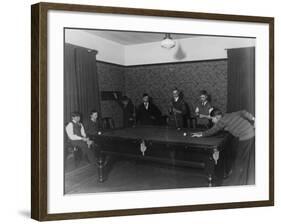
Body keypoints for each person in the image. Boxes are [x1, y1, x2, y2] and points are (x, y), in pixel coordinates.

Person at [191, 109, 255, 185]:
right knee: (243, 159)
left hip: (246, 137)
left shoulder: (222, 121)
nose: (212, 121)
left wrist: (201, 134)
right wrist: (253, 119)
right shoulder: (229, 114)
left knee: (239, 161)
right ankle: (242, 180)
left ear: (217, 117)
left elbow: (213, 130)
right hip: (251, 133)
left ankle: (237, 183)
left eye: (212, 119)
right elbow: (243, 112)